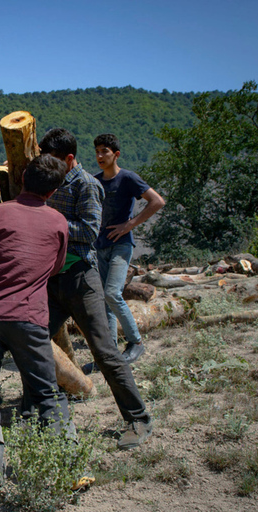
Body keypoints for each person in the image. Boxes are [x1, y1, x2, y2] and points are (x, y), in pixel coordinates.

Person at [0, 154, 74, 495]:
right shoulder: (58, 223)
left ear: (23, 176)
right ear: (54, 190)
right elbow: (55, 267)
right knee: (47, 394)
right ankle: (66, 469)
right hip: (28, 317)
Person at [39, 128, 152, 450]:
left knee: (104, 351)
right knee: (33, 341)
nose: (48, 166)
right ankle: (46, 412)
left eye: (53, 160)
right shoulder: (51, 180)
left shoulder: (87, 185)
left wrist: (50, 220)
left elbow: (89, 232)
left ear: (70, 159)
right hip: (53, 278)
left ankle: (138, 418)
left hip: (81, 279)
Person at [94, 133, 165, 364]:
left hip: (121, 245)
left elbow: (157, 201)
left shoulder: (128, 178)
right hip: (99, 246)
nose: (99, 155)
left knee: (112, 293)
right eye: (97, 151)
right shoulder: (95, 181)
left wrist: (130, 224)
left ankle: (136, 343)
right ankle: (111, 352)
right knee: (105, 300)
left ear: (116, 154)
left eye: (104, 151)